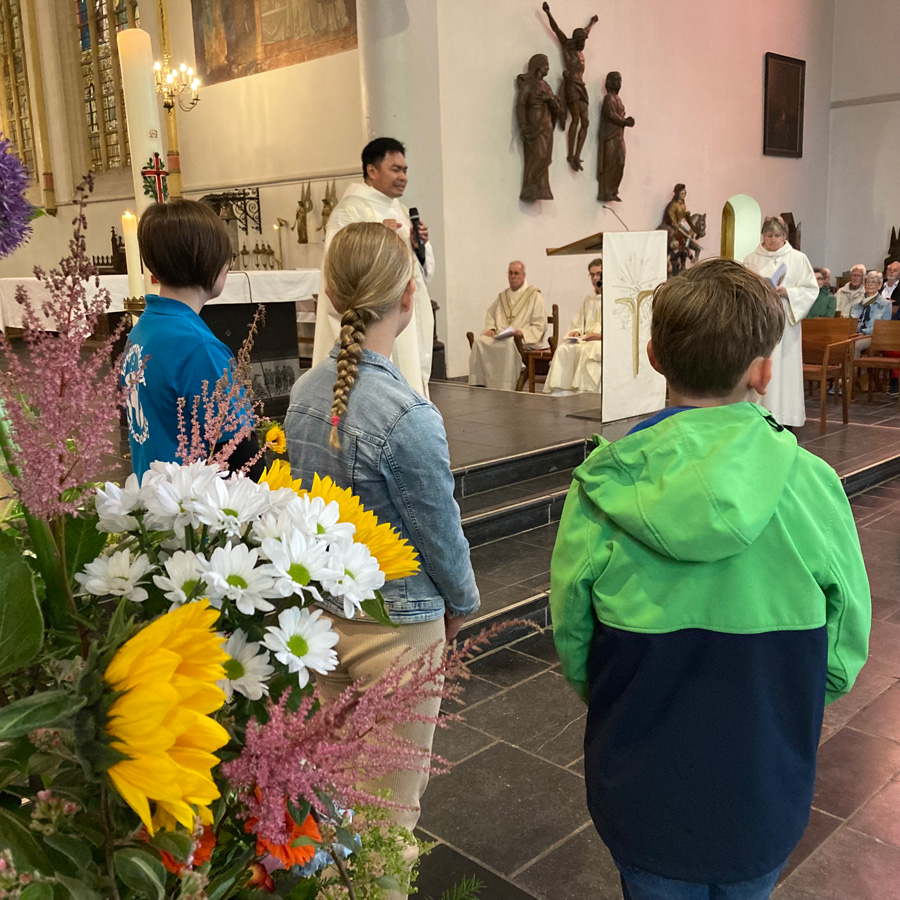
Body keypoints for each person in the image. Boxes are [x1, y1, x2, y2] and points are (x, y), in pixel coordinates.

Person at [551, 257, 870, 900]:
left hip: (642, 785)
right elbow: (844, 647)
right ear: (763, 369)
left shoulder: (603, 487)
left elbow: (574, 637)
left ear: (653, 356)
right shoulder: (813, 486)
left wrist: (621, 697)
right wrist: (784, 701)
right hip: (763, 784)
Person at [285, 223, 479, 899]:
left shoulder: (304, 396)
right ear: (408, 295)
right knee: (391, 820)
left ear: (334, 295)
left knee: (333, 807)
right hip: (399, 630)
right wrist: (464, 606)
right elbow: (440, 537)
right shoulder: (408, 416)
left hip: (322, 625)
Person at [122, 199, 263, 480]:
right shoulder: (198, 347)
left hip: (155, 499)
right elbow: (242, 458)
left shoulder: (143, 329)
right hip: (194, 514)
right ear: (209, 260)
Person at [313, 137, 435, 398]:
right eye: (395, 169)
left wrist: (417, 247)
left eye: (405, 170)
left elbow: (422, 272)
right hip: (375, 322)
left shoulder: (400, 209)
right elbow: (340, 270)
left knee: (408, 387)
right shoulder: (349, 211)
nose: (403, 176)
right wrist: (381, 239)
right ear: (372, 170)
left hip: (405, 319)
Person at [743, 215, 818, 428]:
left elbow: (810, 288)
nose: (773, 240)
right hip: (760, 320)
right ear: (763, 237)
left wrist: (789, 292)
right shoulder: (751, 259)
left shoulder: (798, 258)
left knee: (784, 367)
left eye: (777, 235)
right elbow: (742, 286)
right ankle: (757, 414)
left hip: (786, 321)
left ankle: (786, 417)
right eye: (769, 235)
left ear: (784, 236)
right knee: (759, 360)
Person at [468, 261, 548, 390]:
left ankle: (505, 386)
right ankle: (480, 382)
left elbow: (540, 323)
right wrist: (491, 328)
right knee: (479, 341)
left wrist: (522, 332)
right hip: (503, 336)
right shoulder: (503, 296)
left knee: (509, 344)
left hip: (521, 339)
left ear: (523, 275)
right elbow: (491, 314)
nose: (513, 276)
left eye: (516, 273)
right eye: (510, 273)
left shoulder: (534, 296)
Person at [541, 2, 598, 172]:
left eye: (584, 42)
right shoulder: (567, 46)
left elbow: (586, 32)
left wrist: (592, 23)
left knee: (586, 121)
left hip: (582, 85)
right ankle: (570, 155)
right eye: (581, 41)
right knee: (576, 119)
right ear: (576, 40)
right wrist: (548, 13)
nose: (584, 44)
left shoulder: (581, 48)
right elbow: (556, 29)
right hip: (572, 84)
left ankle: (577, 154)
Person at [544, 257, 603, 394]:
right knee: (563, 349)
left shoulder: (614, 298)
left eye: (599, 274)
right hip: (587, 338)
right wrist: (576, 332)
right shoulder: (589, 299)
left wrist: (600, 336)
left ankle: (586, 392)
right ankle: (562, 393)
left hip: (602, 340)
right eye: (592, 274)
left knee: (588, 350)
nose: (595, 278)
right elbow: (578, 322)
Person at [516, 53, 560, 202]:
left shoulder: (546, 87)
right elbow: (521, 105)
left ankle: (539, 188)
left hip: (546, 125)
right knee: (539, 155)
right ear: (538, 66)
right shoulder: (529, 85)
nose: (548, 68)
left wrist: (550, 100)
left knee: (546, 158)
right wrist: (522, 124)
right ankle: (530, 186)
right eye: (546, 65)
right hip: (534, 124)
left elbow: (557, 109)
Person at [597, 71, 634, 202]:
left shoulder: (619, 100)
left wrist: (627, 120)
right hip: (609, 136)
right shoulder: (608, 98)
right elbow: (611, 114)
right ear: (610, 82)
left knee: (620, 161)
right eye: (616, 80)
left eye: (620, 80)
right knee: (610, 163)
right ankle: (606, 191)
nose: (619, 83)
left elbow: (619, 116)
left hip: (618, 136)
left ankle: (613, 190)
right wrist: (625, 122)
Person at [659, 184, 701, 276]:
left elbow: (683, 218)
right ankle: (684, 256)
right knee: (681, 239)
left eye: (684, 193)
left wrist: (689, 229)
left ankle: (688, 260)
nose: (683, 195)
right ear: (677, 193)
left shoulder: (682, 204)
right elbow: (672, 218)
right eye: (681, 193)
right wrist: (677, 226)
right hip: (673, 226)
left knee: (689, 236)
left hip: (681, 224)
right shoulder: (673, 205)